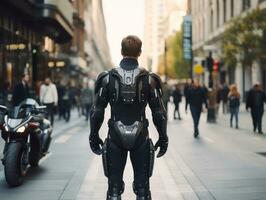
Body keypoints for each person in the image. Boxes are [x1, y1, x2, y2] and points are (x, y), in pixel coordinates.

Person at [89, 35, 168, 200]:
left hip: (115, 137)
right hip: (141, 137)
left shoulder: (107, 78)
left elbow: (97, 111)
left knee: (114, 189)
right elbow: (159, 113)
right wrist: (163, 137)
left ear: (121, 51)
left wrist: (93, 135)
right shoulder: (150, 79)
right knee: (142, 189)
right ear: (140, 52)